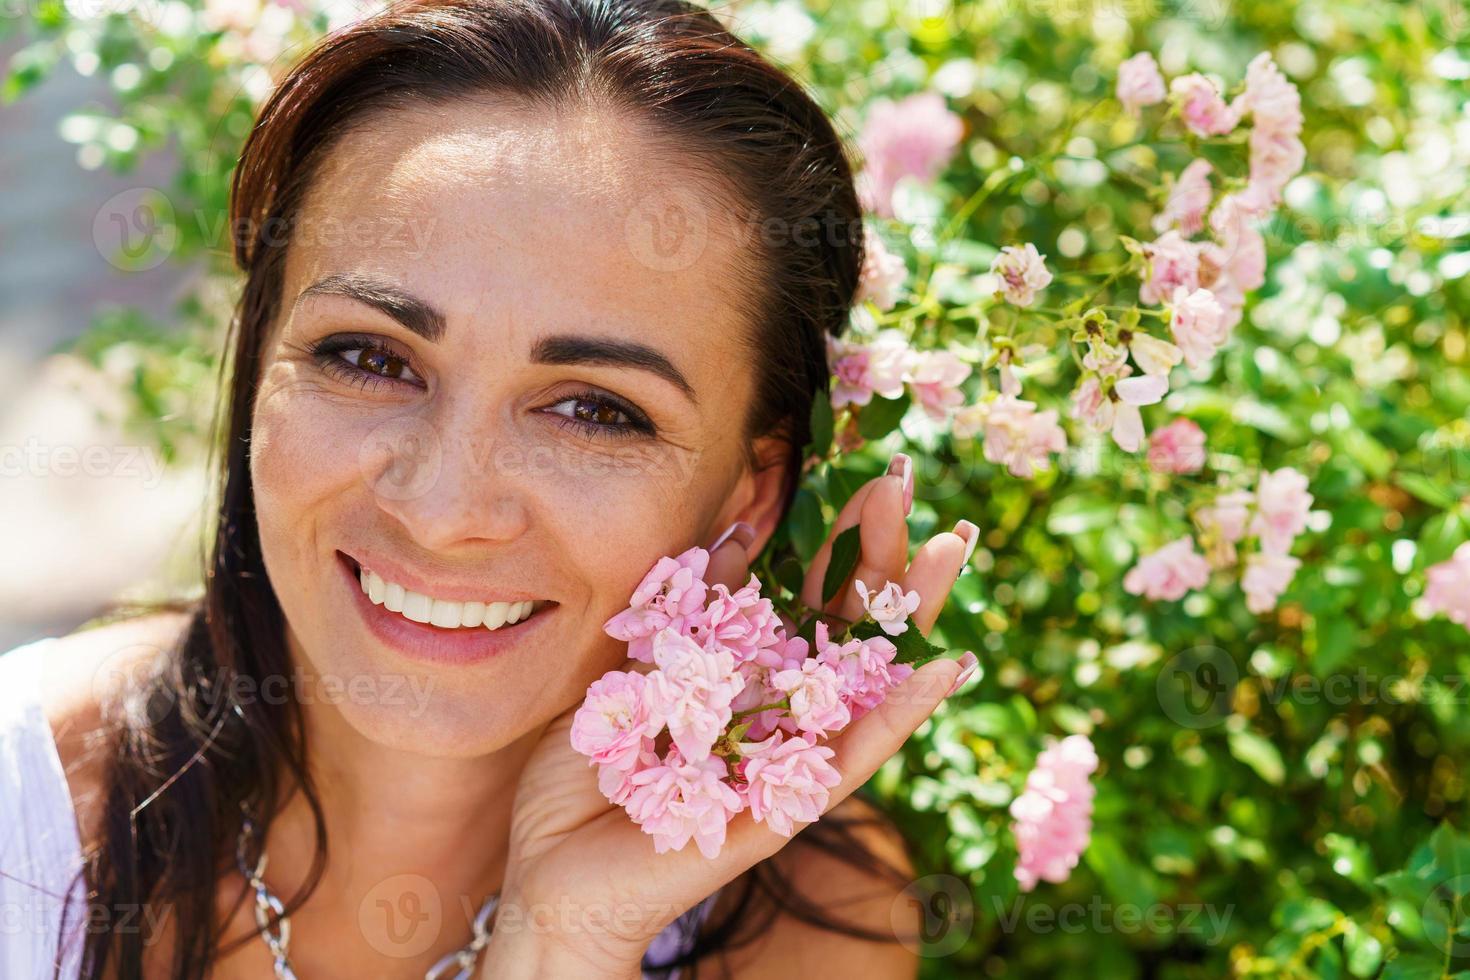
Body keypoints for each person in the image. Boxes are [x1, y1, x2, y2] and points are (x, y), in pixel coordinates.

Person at [0, 1, 979, 976]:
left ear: (747, 498)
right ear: (258, 361)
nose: (441, 508)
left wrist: (566, 943)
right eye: (368, 355)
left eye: (594, 409)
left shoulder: (806, 929)